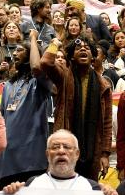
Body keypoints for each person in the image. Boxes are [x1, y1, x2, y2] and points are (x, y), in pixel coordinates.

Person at [41, 36, 112, 180]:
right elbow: (45, 63)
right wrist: (55, 43)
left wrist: (105, 154)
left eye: (87, 48)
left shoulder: (103, 85)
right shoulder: (64, 76)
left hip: (93, 148)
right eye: (79, 48)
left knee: (88, 193)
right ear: (72, 57)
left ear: (93, 56)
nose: (83, 49)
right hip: (65, 146)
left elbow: (107, 122)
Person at [0, 30, 52, 188]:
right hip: (7, 160)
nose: (15, 53)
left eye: (20, 50)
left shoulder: (39, 82)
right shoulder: (8, 85)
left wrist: (33, 39)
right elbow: (1, 118)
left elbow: (36, 67)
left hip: (31, 159)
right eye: (14, 50)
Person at [3, 129, 118, 195]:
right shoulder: (30, 184)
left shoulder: (93, 188)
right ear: (47, 154)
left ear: (77, 154)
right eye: (55, 147)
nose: (61, 151)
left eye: (67, 147)